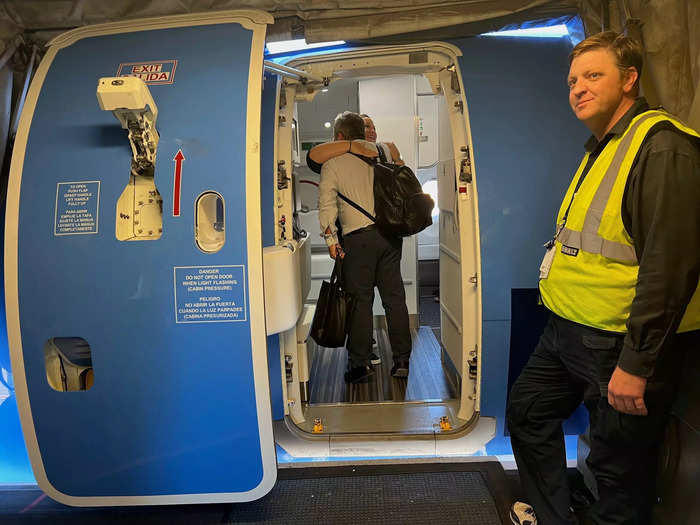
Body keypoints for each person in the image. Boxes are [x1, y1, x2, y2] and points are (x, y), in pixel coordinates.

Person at [506, 31, 700, 525]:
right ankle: (555, 517)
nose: (579, 88)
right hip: (567, 332)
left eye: (594, 76)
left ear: (630, 79)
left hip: (618, 344)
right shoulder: (604, 145)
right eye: (573, 79)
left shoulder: (663, 149)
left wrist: (636, 365)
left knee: (619, 472)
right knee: (528, 413)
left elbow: (669, 269)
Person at [318, 111, 412, 383]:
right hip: (389, 236)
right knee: (395, 300)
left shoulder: (332, 163)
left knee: (360, 303)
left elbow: (327, 205)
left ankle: (360, 366)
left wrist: (331, 241)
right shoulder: (381, 152)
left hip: (357, 240)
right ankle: (402, 360)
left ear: (339, 137)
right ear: (363, 130)